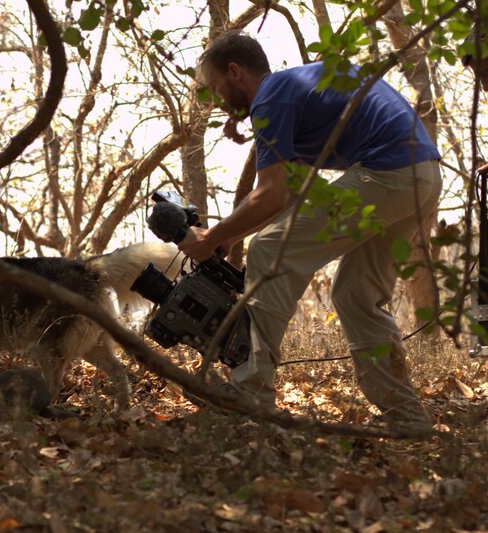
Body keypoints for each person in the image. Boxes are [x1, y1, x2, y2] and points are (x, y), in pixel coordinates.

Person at [178, 32, 442, 429]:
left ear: (235, 72)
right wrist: (230, 236)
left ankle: (249, 393)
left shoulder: (272, 97)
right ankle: (406, 416)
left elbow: (269, 195)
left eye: (216, 88)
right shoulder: (297, 91)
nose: (217, 101)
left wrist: (211, 237)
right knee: (355, 294)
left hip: (389, 171)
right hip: (422, 177)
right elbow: (287, 195)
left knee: (269, 248)